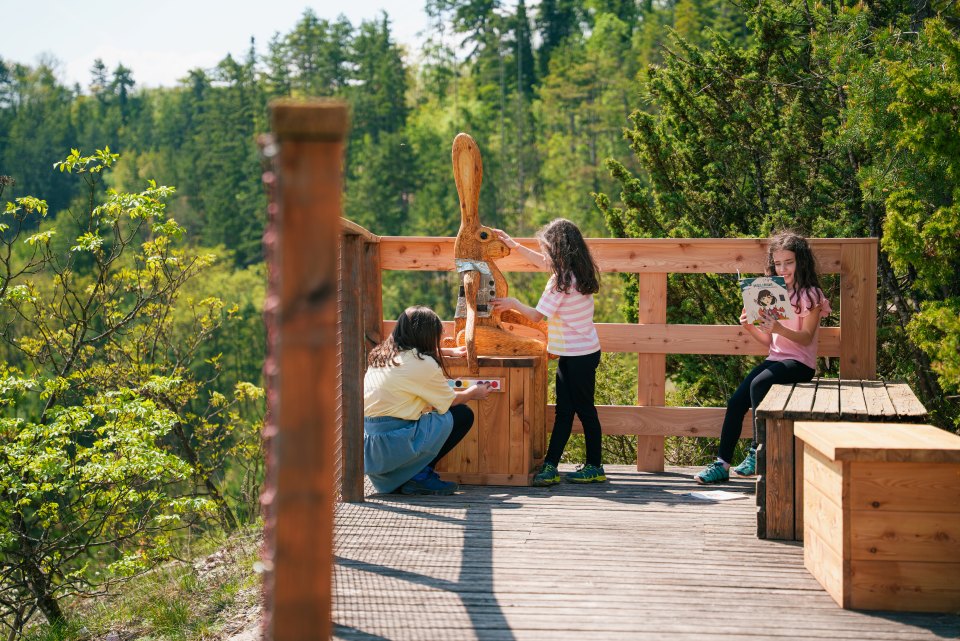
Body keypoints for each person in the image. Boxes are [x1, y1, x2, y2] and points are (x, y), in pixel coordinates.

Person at [695, 231, 831, 484]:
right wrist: (750, 326)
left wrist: (779, 327)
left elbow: (806, 337)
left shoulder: (811, 295)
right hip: (776, 359)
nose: (783, 268)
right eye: (778, 263)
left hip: (800, 363)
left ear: (801, 261)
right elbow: (770, 342)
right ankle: (722, 463)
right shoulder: (773, 291)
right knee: (736, 401)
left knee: (759, 384)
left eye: (788, 262)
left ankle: (757, 451)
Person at [492, 219, 605, 486]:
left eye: (547, 249)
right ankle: (553, 465)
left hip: (576, 356)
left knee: (582, 411)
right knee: (567, 411)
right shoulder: (577, 271)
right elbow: (542, 263)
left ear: (557, 250)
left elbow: (537, 315)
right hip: (580, 352)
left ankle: (594, 466)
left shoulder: (559, 282)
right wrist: (514, 245)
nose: (544, 255)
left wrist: (512, 303)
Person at [364, 305, 492, 495]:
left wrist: (449, 352)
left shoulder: (382, 355)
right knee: (462, 414)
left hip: (373, 450)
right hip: (395, 445)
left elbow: (410, 366)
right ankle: (420, 476)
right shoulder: (422, 364)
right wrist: (474, 391)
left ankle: (409, 476)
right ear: (426, 336)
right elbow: (451, 401)